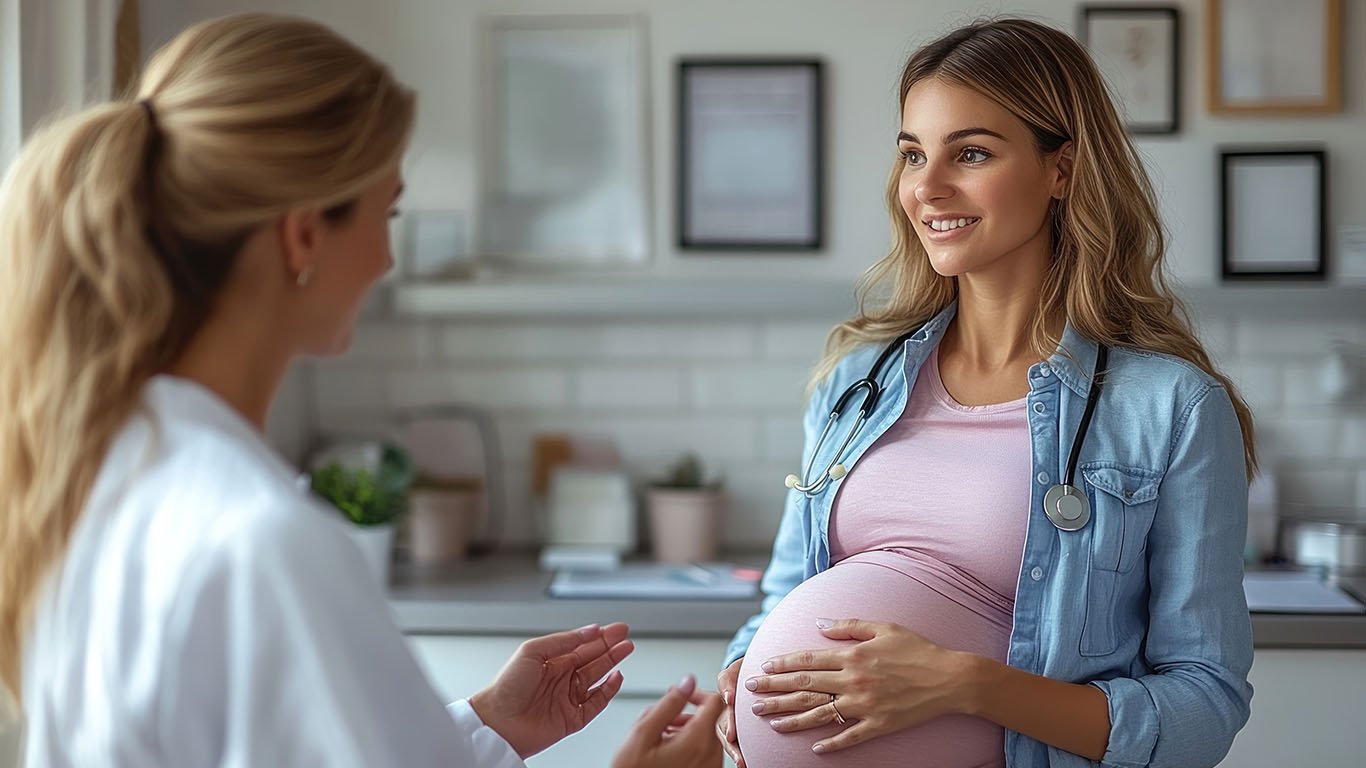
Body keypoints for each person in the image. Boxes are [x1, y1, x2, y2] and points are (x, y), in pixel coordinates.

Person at [0, 13, 722, 767]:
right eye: (389, 213)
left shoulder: (100, 485)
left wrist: (488, 725)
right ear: (305, 234)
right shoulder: (266, 543)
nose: (386, 258)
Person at [714, 17, 1255, 768]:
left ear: (1062, 169)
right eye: (913, 154)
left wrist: (967, 686)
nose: (926, 188)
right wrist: (745, 679)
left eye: (970, 153)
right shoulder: (856, 385)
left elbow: (1205, 705)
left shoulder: (1169, 409)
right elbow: (783, 597)